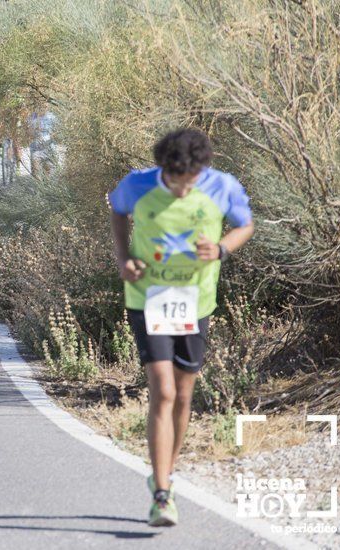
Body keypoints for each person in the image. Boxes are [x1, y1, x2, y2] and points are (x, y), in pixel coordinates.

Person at [108, 128, 254, 527]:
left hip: (195, 300)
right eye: (174, 181)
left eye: (189, 182)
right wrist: (124, 259)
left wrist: (222, 247)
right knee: (164, 390)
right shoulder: (136, 184)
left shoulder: (223, 187)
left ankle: (165, 476)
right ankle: (160, 493)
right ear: (163, 170)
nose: (181, 190)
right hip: (148, 297)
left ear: (202, 171)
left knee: (185, 395)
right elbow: (117, 212)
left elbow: (245, 225)